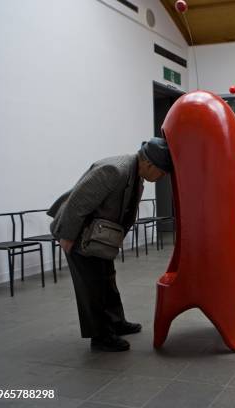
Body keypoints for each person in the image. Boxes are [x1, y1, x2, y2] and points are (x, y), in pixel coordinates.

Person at [48, 137, 172, 352]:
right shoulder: (114, 170)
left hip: (99, 238)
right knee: (92, 287)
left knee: (107, 280)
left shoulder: (136, 173)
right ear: (149, 164)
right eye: (162, 172)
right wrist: (67, 237)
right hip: (79, 235)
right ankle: (101, 335)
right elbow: (78, 202)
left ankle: (116, 322)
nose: (162, 177)